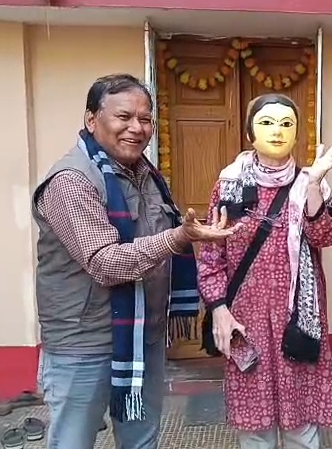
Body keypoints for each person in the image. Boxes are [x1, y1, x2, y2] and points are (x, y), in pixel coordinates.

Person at [32, 73, 235, 449]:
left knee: (141, 441)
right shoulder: (71, 180)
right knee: (73, 443)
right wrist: (179, 238)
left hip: (144, 335)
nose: (136, 128)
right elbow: (104, 262)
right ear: (91, 120)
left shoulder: (148, 176)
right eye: (124, 117)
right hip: (84, 344)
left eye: (145, 119)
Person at [198, 93, 332, 449]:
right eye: (266, 122)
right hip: (245, 320)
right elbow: (210, 253)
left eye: (286, 124)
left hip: (298, 318)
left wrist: (312, 184)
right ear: (250, 133)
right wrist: (218, 309)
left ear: (297, 134)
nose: (277, 131)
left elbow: (324, 236)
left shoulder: (313, 183)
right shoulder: (229, 184)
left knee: (301, 428)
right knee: (255, 428)